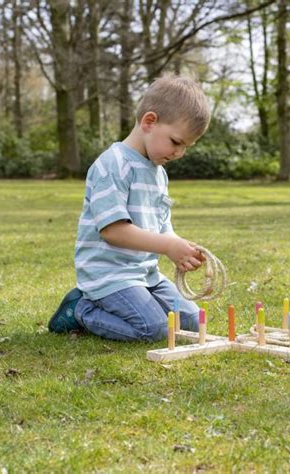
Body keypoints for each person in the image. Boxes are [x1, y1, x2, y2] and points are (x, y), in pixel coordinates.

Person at [48, 75, 210, 342]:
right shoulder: (113, 164)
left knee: (191, 321)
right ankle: (80, 309)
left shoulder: (159, 173)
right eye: (176, 142)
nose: (179, 153)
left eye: (186, 148)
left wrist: (178, 247)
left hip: (145, 274)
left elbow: (162, 226)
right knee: (154, 328)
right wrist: (166, 246)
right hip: (109, 276)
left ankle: (129, 304)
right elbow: (113, 231)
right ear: (149, 121)